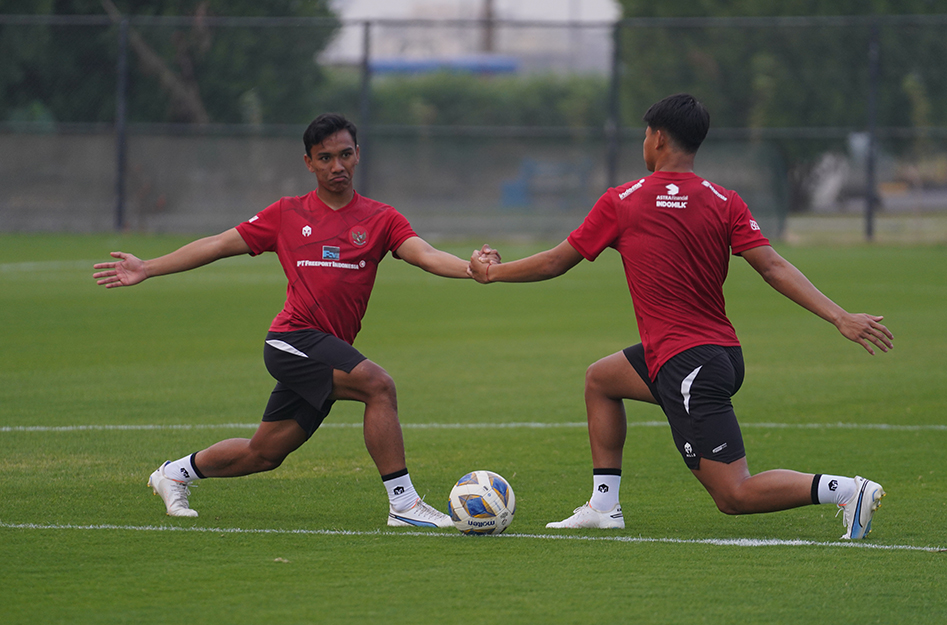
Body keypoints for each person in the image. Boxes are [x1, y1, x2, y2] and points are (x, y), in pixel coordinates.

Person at [468, 93, 893, 539]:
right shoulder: (724, 200)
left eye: (645, 135)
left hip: (687, 364)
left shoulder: (623, 200)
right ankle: (603, 506)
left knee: (734, 495)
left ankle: (847, 491)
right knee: (601, 380)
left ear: (657, 138)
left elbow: (556, 262)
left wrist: (492, 274)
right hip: (718, 355)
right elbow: (774, 267)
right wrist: (839, 316)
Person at [94, 113, 493, 528]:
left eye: (344, 155)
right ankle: (404, 505)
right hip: (293, 339)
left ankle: (173, 473)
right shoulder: (286, 214)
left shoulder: (381, 219)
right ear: (309, 163)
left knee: (263, 453)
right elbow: (217, 244)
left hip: (326, 348)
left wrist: (468, 267)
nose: (336, 166)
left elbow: (425, 254)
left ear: (358, 156)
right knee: (378, 386)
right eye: (325, 158)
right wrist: (149, 267)